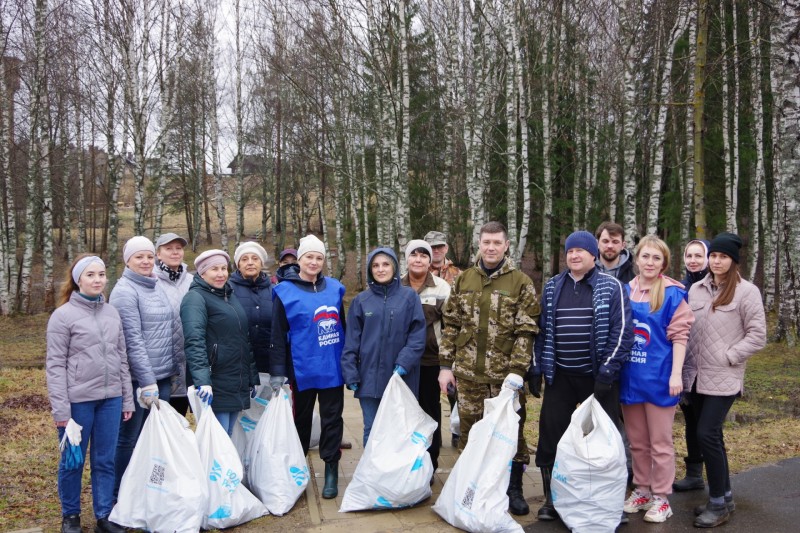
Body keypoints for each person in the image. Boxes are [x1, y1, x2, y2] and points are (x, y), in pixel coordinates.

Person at [528, 230, 633, 522]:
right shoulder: (552, 287)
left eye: (581, 251)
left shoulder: (611, 287)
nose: (574, 255)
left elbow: (623, 332)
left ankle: (610, 501)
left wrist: (607, 372)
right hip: (560, 377)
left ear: (593, 255)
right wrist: (536, 368)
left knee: (603, 443)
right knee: (552, 438)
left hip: (597, 379)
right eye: (570, 251)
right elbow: (542, 331)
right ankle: (553, 499)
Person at [438, 221, 539, 516]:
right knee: (470, 433)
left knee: (512, 434)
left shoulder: (521, 282)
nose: (491, 247)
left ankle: (514, 488)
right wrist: (446, 366)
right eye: (486, 242)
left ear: (506, 245)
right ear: (478, 245)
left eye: (497, 242)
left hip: (505, 378)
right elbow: (451, 325)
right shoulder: (464, 279)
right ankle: (471, 486)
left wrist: (518, 372)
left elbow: (527, 330)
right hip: (469, 375)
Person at [46, 255, 134, 533]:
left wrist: (126, 397)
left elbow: (122, 358)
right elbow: (55, 365)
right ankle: (70, 516)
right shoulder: (62, 317)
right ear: (78, 280)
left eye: (102, 274)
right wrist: (61, 410)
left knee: (104, 460)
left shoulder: (111, 312)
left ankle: (104, 515)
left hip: (111, 399)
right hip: (77, 403)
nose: (98, 280)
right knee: (73, 460)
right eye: (91, 275)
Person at [684, 232, 766, 528]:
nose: (716, 261)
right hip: (694, 377)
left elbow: (758, 336)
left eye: (723, 257)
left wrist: (730, 356)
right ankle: (724, 496)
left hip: (724, 376)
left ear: (733, 261)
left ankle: (718, 504)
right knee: (711, 436)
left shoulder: (747, 292)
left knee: (707, 433)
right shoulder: (696, 290)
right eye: (714, 256)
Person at [620, 235, 694, 523]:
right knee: (637, 442)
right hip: (631, 379)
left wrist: (676, 375)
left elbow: (680, 337)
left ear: (664, 262)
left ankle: (662, 497)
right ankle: (642, 488)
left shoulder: (674, 293)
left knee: (660, 443)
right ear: (636, 259)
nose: (649, 262)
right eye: (645, 256)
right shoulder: (625, 290)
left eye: (656, 257)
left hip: (661, 378)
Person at [269, 234, 347, 499]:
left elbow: (343, 327)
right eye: (309, 257)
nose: (314, 262)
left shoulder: (336, 288)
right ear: (299, 260)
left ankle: (331, 469)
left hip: (332, 368)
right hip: (300, 369)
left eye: (319, 257)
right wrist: (278, 373)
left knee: (332, 421)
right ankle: (298, 469)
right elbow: (277, 335)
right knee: (300, 421)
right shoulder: (284, 292)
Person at [110, 236, 183, 497]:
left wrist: (170, 371)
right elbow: (133, 341)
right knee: (129, 439)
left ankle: (149, 492)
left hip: (161, 377)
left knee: (154, 440)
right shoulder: (124, 292)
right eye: (139, 256)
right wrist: (146, 382)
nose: (145, 261)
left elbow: (170, 330)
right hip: (138, 382)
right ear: (127, 260)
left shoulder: (154, 285)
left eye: (149, 256)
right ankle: (120, 494)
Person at [341, 246, 426, 446]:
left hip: (400, 378)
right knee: (372, 429)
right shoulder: (361, 301)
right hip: (368, 379)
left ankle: (396, 475)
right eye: (376, 265)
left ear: (394, 267)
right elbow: (351, 341)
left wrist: (404, 363)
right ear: (370, 270)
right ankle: (371, 475)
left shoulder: (409, 297)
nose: (381, 269)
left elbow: (417, 335)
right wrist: (351, 373)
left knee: (399, 430)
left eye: (386, 264)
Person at [181, 249, 259, 437]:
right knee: (217, 438)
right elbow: (194, 341)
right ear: (202, 272)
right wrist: (202, 381)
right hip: (214, 380)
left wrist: (251, 377)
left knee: (228, 434)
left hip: (235, 379)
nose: (221, 273)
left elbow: (243, 339)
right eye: (214, 269)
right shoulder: (195, 298)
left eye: (224, 268)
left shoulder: (228, 295)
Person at [400, 239, 451, 477]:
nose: (418, 259)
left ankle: (430, 464)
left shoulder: (441, 288)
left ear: (430, 261)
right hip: (403, 363)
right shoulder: (395, 286)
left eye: (423, 255)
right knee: (405, 414)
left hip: (431, 362)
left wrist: (446, 366)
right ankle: (407, 463)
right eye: (414, 255)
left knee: (430, 413)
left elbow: (451, 328)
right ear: (407, 259)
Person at [673, 239, 711, 492]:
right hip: (686, 367)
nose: (694, 260)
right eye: (689, 255)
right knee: (692, 420)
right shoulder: (680, 287)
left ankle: (719, 484)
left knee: (708, 427)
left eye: (699, 255)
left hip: (711, 366)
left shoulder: (716, 286)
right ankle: (695, 473)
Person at [424, 230, 462, 447]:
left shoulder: (459, 274)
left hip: (454, 344)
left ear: (446, 248)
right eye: (432, 247)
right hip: (428, 346)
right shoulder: (416, 271)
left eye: (439, 246)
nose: (436, 250)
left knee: (455, 392)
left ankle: (457, 432)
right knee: (428, 397)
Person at [153, 232, 193, 416]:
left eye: (178, 248)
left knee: (182, 422)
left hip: (189, 363)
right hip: (162, 365)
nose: (175, 252)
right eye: (168, 248)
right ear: (158, 254)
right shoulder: (150, 281)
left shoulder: (192, 281)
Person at [229, 241, 273, 374]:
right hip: (236, 364)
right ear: (238, 264)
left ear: (261, 263)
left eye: (255, 258)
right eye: (244, 259)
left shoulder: (274, 291)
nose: (250, 263)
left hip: (267, 363)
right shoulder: (227, 289)